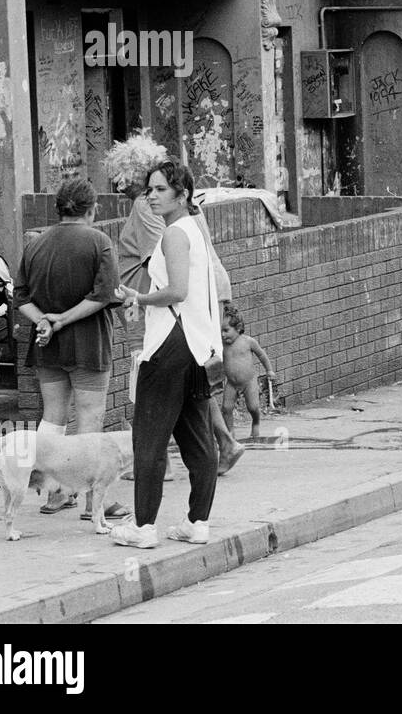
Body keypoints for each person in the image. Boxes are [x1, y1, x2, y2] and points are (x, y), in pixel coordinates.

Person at [111, 139, 245, 475]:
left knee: (152, 372)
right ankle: (222, 445)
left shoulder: (149, 207)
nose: (118, 185)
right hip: (203, 292)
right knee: (193, 374)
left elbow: (169, 251)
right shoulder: (186, 204)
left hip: (170, 304)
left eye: (121, 176)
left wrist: (140, 299)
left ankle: (160, 460)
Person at [110, 160, 223, 549]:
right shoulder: (194, 228)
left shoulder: (175, 234)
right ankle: (198, 523)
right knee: (198, 439)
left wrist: (139, 297)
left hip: (171, 343)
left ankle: (143, 528)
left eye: (160, 189)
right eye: (150, 189)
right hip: (197, 344)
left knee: (149, 439)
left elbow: (176, 291)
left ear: (183, 194)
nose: (152, 196)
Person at [13, 178, 130, 523]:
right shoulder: (99, 241)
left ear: (59, 208)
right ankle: (93, 503)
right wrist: (62, 319)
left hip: (46, 344)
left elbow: (20, 296)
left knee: (52, 419)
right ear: (92, 209)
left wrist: (45, 322)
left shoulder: (35, 244)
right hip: (89, 343)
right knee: (90, 420)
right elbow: (104, 295)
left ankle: (53, 493)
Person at [221, 305, 276, 440]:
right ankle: (230, 432)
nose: (223, 334)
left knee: (253, 407)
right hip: (231, 383)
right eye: (221, 331)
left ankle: (256, 422)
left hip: (249, 381)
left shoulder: (248, 342)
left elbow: (262, 355)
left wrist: (269, 370)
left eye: (226, 330)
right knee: (226, 408)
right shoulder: (222, 344)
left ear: (238, 328)